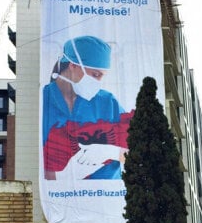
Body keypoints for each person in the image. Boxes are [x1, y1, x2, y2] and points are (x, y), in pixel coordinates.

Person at [42, 35, 133, 180]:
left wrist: (112, 152)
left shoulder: (107, 103)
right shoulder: (43, 101)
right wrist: (62, 176)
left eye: (102, 76)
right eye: (95, 74)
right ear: (73, 65)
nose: (98, 82)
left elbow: (141, 153)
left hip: (105, 196)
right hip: (58, 197)